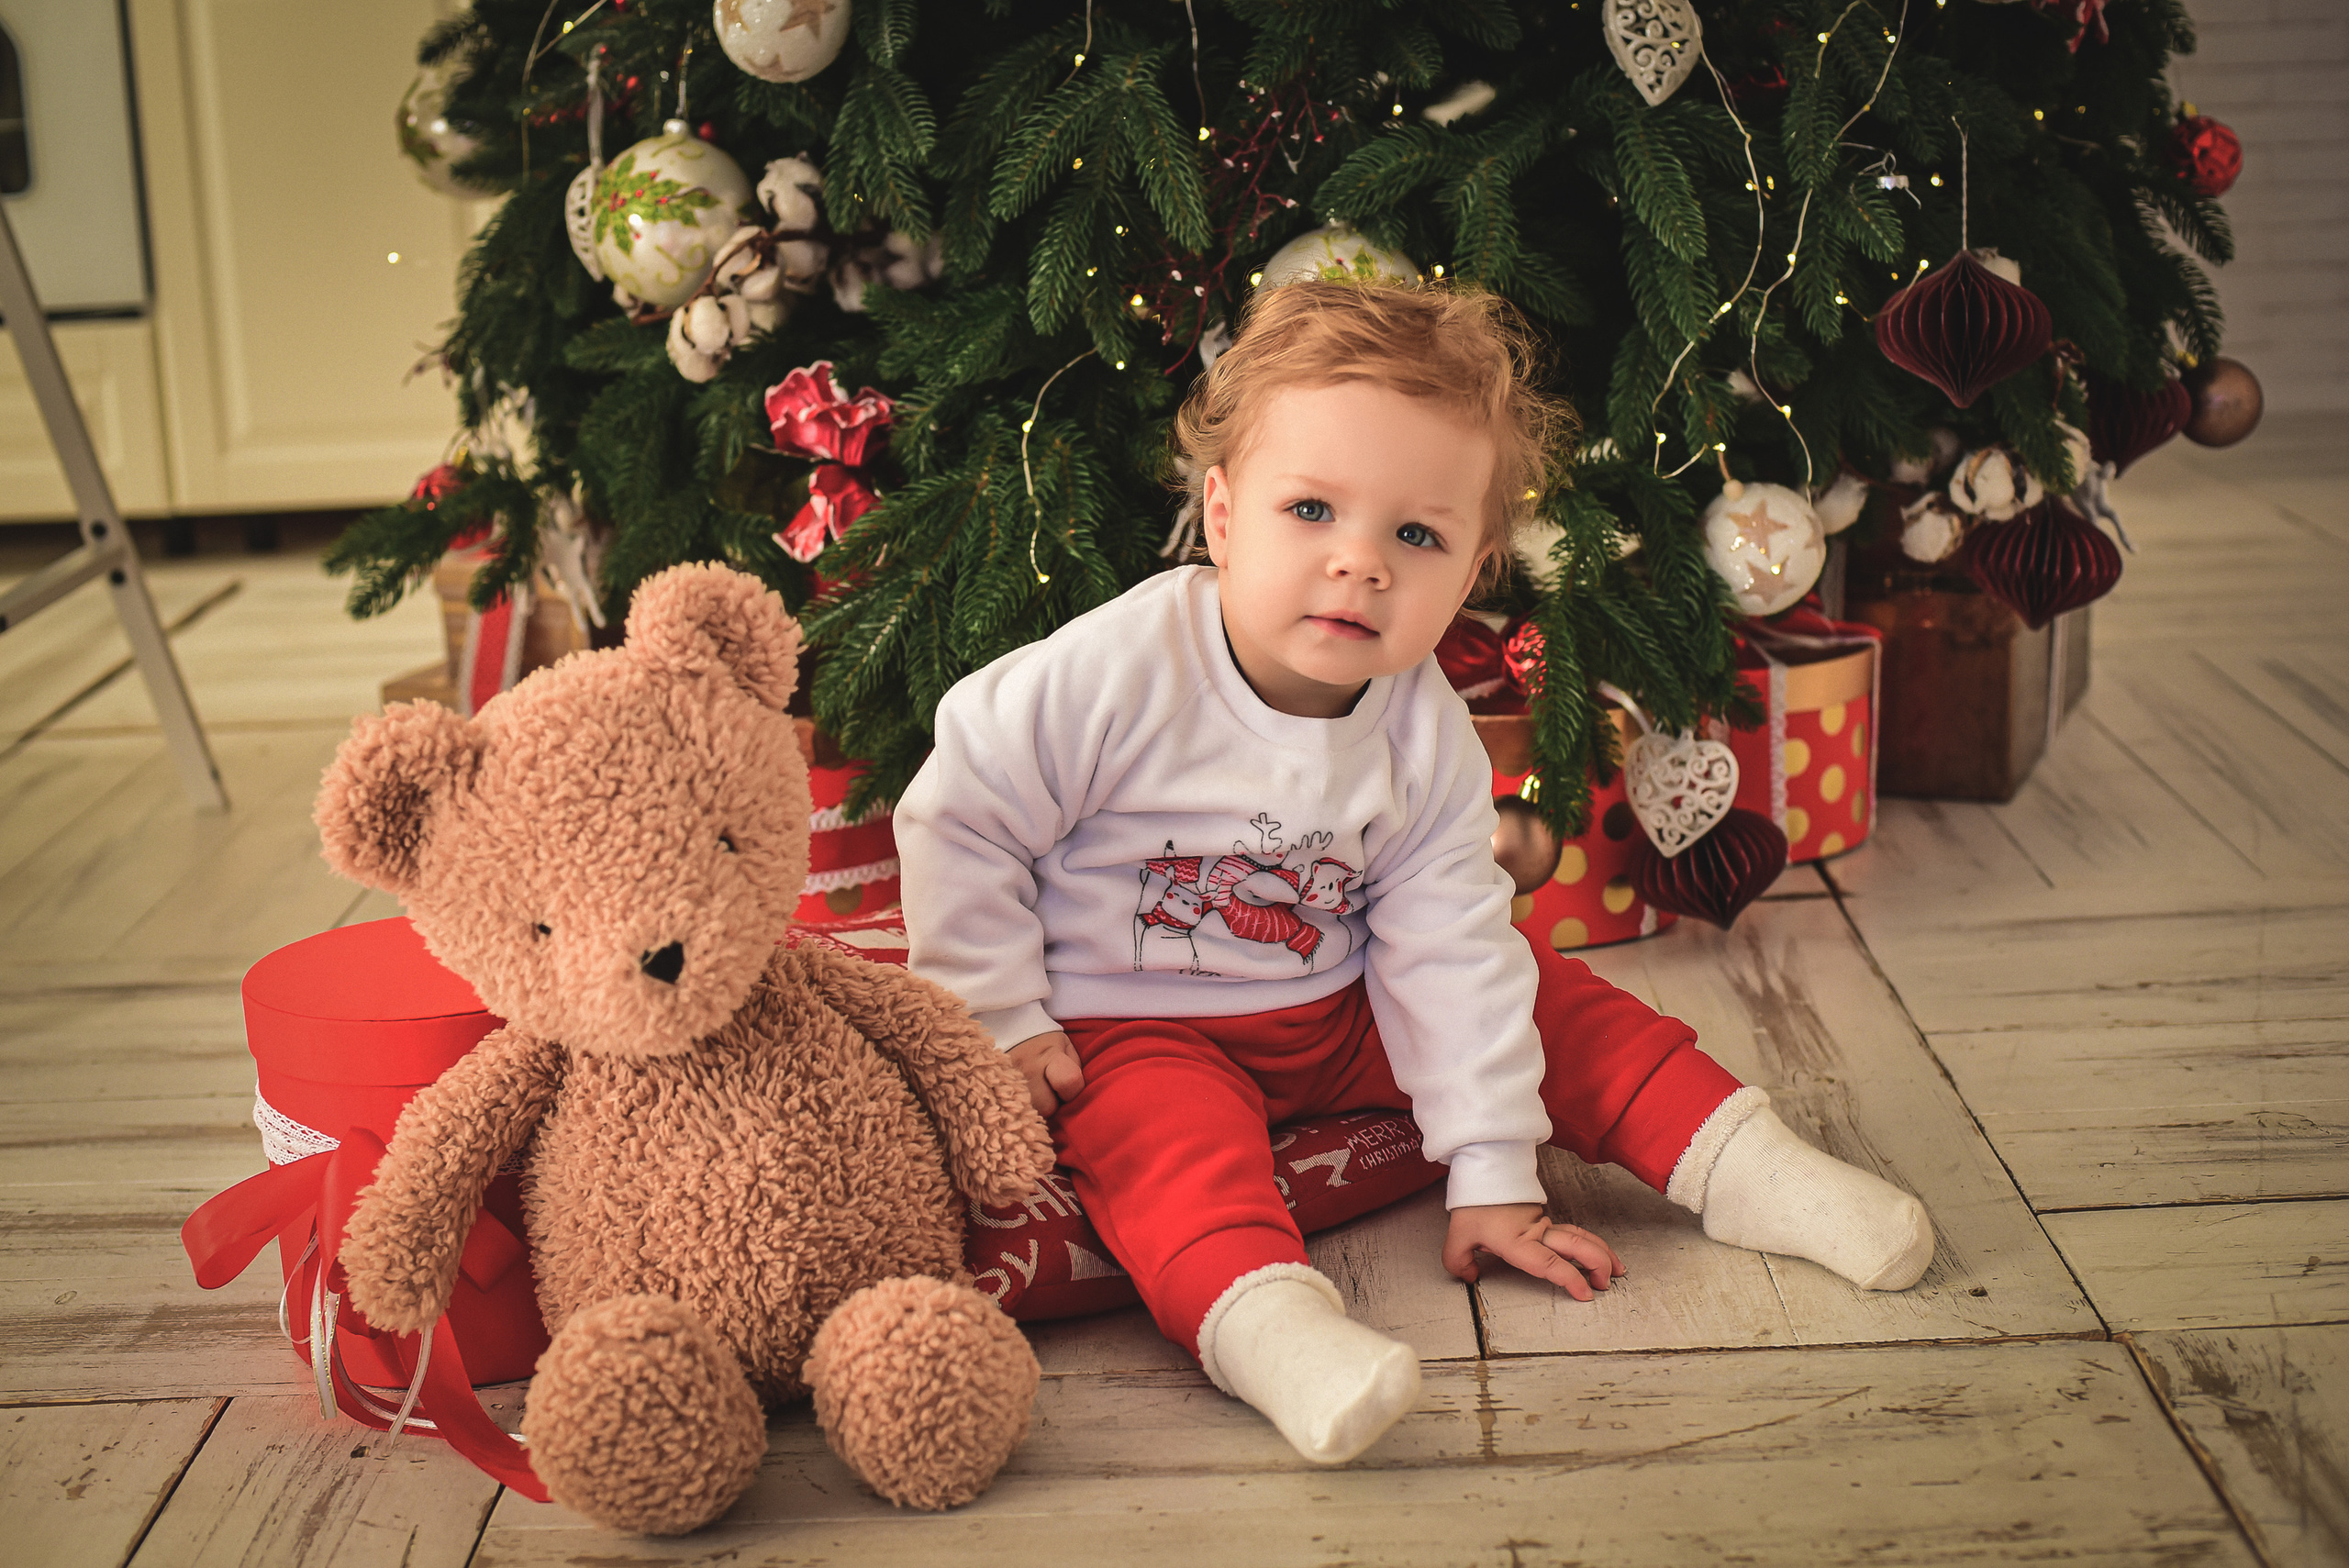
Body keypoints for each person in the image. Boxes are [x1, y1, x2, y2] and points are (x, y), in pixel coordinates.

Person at [894, 279, 1933, 1467]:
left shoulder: (1420, 722)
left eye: (1416, 535)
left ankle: (1748, 1165)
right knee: (1162, 1146)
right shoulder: (1120, 672)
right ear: (1223, 516)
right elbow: (960, 811)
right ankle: (1275, 1327)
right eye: (1311, 510)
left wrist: (1492, 1170)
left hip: (1341, 1005)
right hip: (1141, 1018)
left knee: (1553, 997)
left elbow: (1445, 938)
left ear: (1474, 566)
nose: (1361, 565)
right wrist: (1000, 1012)